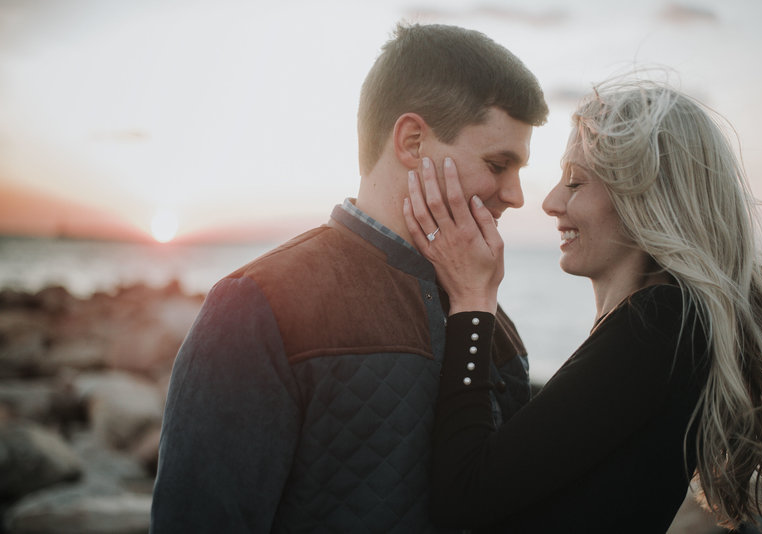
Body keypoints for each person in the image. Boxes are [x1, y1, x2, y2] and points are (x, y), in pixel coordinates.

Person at [149, 22, 549, 532]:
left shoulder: (491, 322)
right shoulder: (256, 304)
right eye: (498, 163)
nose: (516, 195)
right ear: (412, 141)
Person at [404, 78, 762, 532]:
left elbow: (464, 499)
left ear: (647, 199)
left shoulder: (661, 326)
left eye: (575, 182)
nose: (551, 202)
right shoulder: (668, 326)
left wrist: (473, 302)